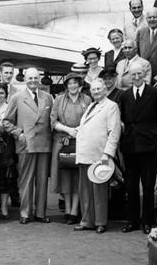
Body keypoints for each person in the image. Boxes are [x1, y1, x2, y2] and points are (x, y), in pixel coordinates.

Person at [118, 63, 157, 234]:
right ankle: (132, 221)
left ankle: (147, 221)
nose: (136, 78)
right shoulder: (125, 95)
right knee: (131, 185)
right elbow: (123, 118)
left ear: (144, 74)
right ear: (129, 76)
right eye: (133, 75)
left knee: (148, 184)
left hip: (148, 144)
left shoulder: (155, 93)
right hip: (130, 145)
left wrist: (147, 131)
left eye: (139, 74)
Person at [3, 68, 53, 224]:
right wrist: (19, 134)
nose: (33, 81)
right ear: (25, 79)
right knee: (26, 180)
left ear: (39, 79)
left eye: (35, 78)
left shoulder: (48, 97)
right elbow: (6, 121)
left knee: (43, 181)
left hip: (44, 144)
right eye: (30, 78)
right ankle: (25, 213)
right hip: (26, 144)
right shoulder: (17, 97)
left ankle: (40, 213)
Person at [74, 79, 121, 234]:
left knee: (99, 191)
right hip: (85, 153)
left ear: (105, 89)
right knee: (85, 190)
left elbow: (114, 132)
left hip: (100, 155)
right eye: (93, 90)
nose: (96, 92)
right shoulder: (91, 106)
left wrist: (107, 154)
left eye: (99, 89)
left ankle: (100, 221)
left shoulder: (111, 106)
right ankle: (87, 221)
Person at [50, 73, 92, 225]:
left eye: (75, 83)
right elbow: (53, 121)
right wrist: (68, 130)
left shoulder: (87, 99)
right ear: (66, 85)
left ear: (79, 84)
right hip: (62, 142)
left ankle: (75, 211)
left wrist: (78, 131)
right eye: (70, 83)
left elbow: (90, 120)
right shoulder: (59, 99)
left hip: (81, 143)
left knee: (77, 178)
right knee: (64, 177)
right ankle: (67, 209)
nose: (73, 86)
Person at [0, 82, 16, 220]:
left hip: (7, 147)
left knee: (6, 178)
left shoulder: (10, 108)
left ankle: (5, 206)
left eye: (1, 93)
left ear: (6, 95)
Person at [0, 61, 20, 207]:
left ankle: (14, 194)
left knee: (13, 166)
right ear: (0, 73)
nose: (8, 75)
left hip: (12, 135)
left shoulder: (17, 92)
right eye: (6, 72)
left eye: (11, 73)